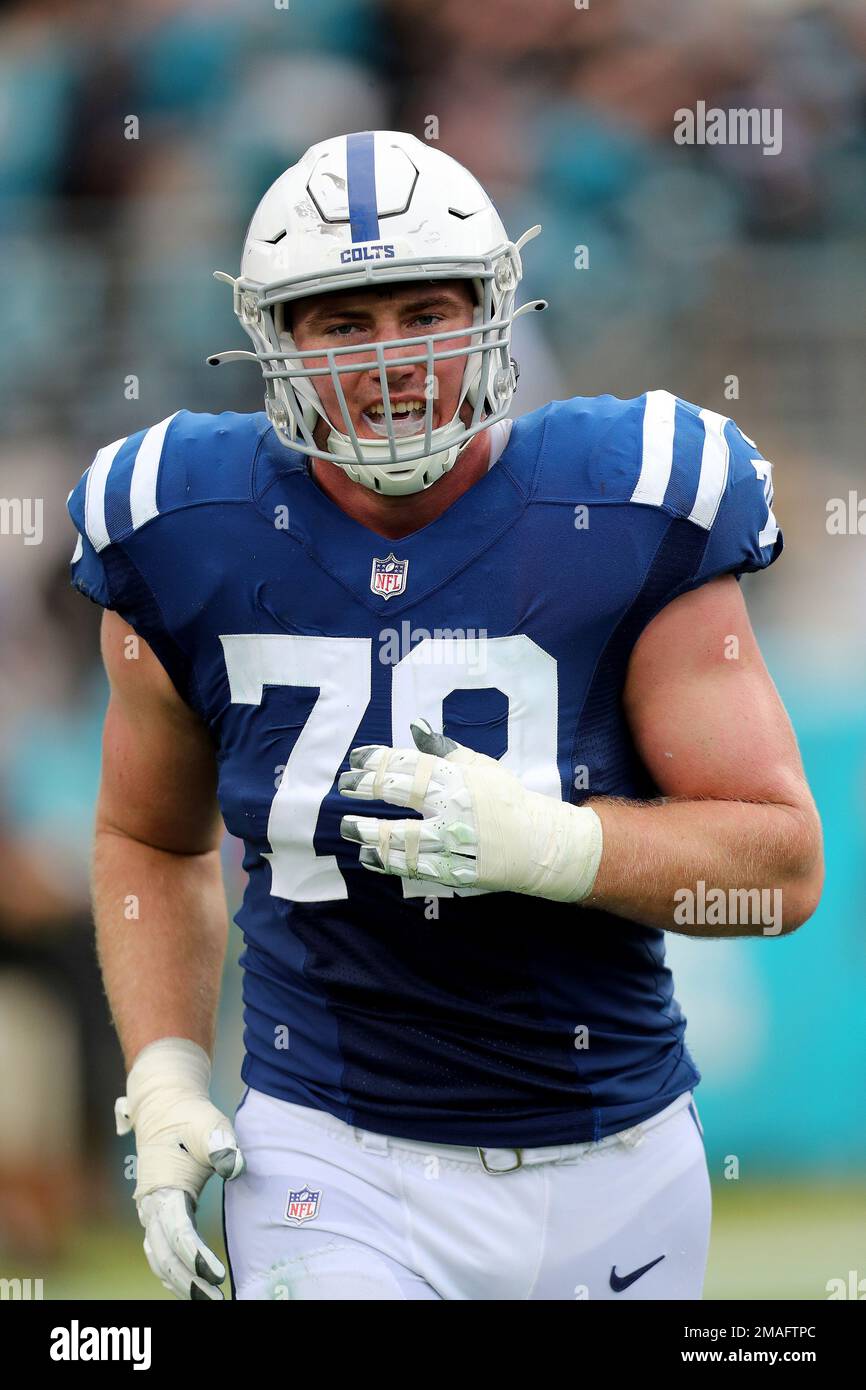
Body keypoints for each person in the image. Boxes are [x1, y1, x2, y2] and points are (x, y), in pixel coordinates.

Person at [67, 130, 823, 1301]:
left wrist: (555, 845)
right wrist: (165, 1073)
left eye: (425, 310)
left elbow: (777, 867)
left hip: (614, 1152)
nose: (394, 358)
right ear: (277, 344)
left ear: (493, 311)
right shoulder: (179, 524)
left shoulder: (625, 500)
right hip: (329, 1148)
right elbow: (151, 840)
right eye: (344, 323)